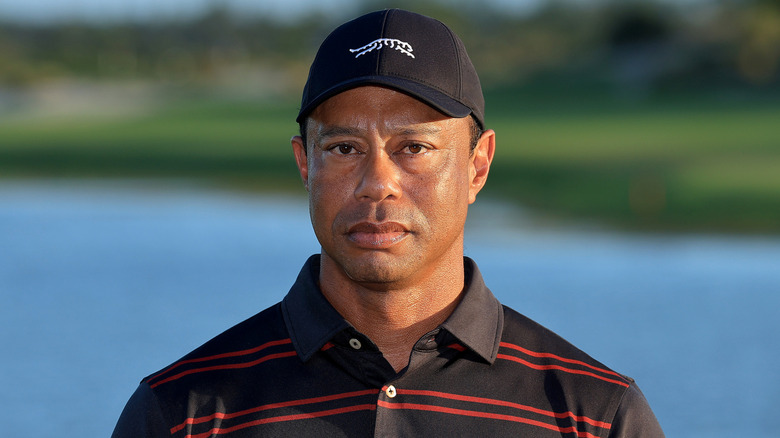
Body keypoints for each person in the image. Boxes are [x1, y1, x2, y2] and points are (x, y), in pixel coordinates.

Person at [112, 9, 664, 437]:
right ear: (305, 163)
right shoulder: (180, 413)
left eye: (415, 147)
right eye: (346, 147)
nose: (378, 182)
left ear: (477, 165)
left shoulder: (595, 416)